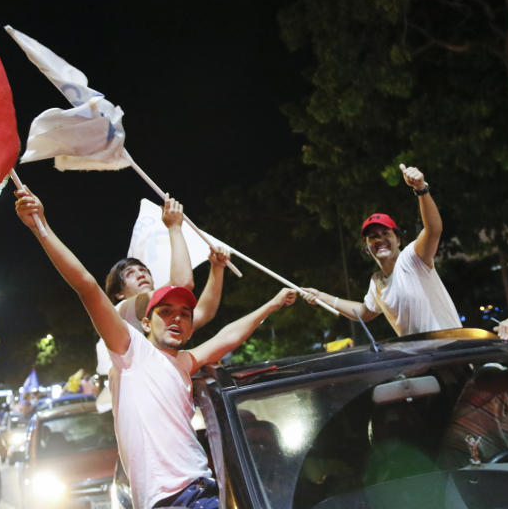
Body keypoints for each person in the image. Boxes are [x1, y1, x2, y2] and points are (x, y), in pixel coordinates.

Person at [15, 186, 297, 508]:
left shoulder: (183, 362)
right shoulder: (128, 345)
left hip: (202, 490)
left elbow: (223, 334)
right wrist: (40, 226)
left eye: (183, 315)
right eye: (166, 312)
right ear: (145, 321)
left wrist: (269, 304)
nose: (176, 318)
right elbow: (86, 284)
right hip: (169, 500)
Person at [301, 164, 461, 335]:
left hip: (450, 350)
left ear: (398, 239)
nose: (380, 240)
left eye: (385, 233)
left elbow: (433, 229)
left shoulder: (412, 258)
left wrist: (421, 189)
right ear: (367, 248)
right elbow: (364, 312)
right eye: (373, 237)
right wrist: (320, 296)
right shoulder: (377, 282)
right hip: (420, 358)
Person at [95, 197, 230, 379]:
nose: (141, 274)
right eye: (130, 274)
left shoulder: (159, 315)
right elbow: (182, 283)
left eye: (144, 270)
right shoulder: (121, 311)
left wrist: (217, 268)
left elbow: (204, 312)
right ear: (119, 294)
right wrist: (174, 227)